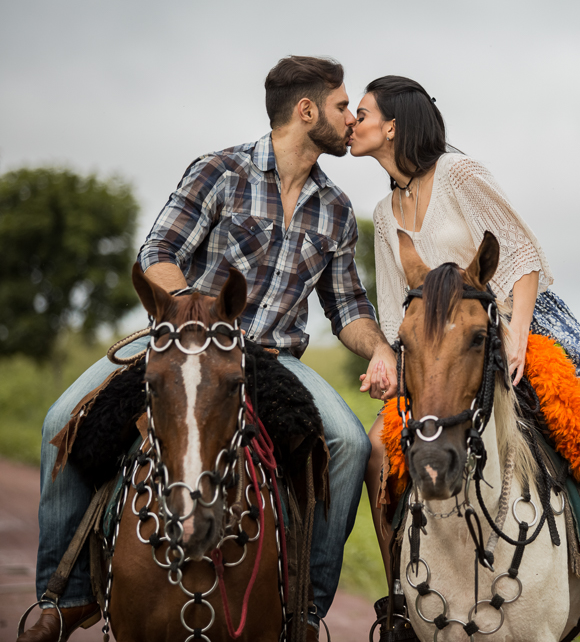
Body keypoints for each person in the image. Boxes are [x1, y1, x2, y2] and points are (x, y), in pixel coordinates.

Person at [19, 56, 398, 642]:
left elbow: (347, 309)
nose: (351, 118)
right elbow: (158, 252)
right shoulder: (219, 173)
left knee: (347, 442)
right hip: (180, 341)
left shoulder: (338, 209)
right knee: (61, 420)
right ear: (306, 111)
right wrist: (195, 316)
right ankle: (62, 598)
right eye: (343, 105)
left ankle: (306, 609)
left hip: (274, 360)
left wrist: (378, 350)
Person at [349, 76, 580, 642]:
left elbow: (520, 252)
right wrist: (388, 358)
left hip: (521, 317)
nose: (350, 124)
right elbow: (396, 312)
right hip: (444, 348)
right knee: (373, 451)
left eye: (359, 114)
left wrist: (518, 335)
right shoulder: (384, 213)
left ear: (391, 126)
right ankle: (399, 601)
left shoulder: (459, 173)